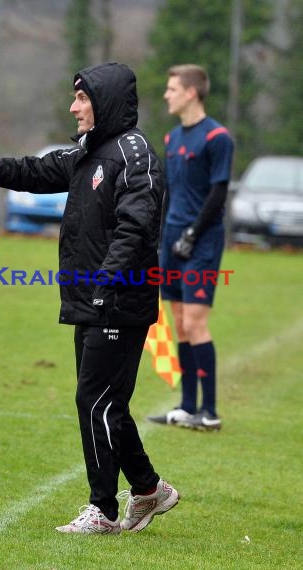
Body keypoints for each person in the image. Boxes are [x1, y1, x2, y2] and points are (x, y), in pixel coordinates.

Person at [0, 62, 179, 534]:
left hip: (117, 298)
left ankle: (105, 509)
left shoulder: (134, 154)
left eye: (81, 99)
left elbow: (137, 225)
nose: (73, 108)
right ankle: (149, 489)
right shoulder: (89, 152)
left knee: (95, 400)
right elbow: (34, 170)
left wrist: (108, 281)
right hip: (93, 298)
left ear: (104, 101)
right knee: (106, 402)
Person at [148, 64, 234, 431]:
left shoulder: (217, 138)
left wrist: (193, 234)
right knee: (180, 323)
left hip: (202, 242)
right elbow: (169, 192)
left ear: (191, 92)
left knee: (197, 322)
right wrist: (160, 236)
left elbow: (218, 193)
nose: (166, 95)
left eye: (172, 89)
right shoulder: (171, 139)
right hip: (171, 239)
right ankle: (186, 406)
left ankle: (210, 411)